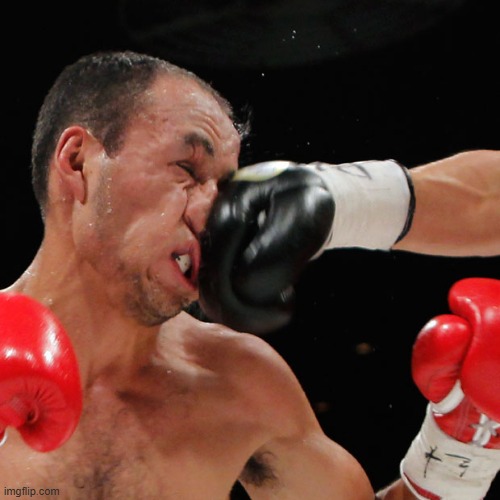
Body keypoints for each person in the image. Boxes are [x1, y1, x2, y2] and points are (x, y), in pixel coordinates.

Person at [0, 49, 499, 500]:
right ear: (78, 162)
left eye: (225, 189)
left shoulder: (237, 384)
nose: (213, 214)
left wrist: (457, 458)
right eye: (186, 169)